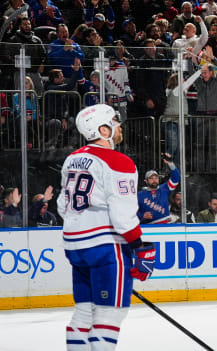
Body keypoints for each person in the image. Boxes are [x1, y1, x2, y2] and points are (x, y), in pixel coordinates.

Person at [57, 104, 155, 350]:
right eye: (115, 122)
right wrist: (139, 246)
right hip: (106, 247)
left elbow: (62, 204)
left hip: (75, 245)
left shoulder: (72, 159)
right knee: (109, 315)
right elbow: (123, 215)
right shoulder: (117, 161)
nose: (119, 126)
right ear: (104, 130)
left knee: (84, 313)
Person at [136, 153, 180, 224]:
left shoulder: (165, 189)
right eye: (151, 178)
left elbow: (176, 178)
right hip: (149, 227)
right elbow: (130, 213)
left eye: (156, 178)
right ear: (146, 181)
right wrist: (141, 215)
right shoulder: (139, 195)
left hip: (166, 225)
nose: (154, 180)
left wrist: (171, 163)